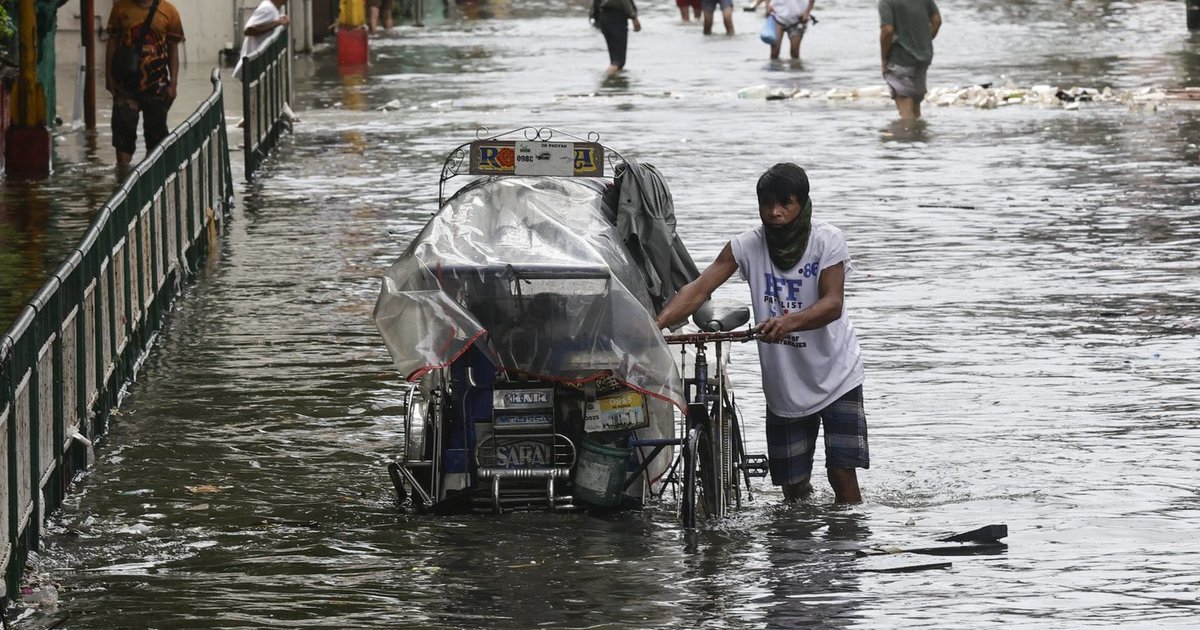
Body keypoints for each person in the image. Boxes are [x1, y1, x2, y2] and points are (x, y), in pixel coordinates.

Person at [655, 163, 868, 504]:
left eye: (785, 203)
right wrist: (656, 326)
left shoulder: (827, 242)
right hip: (785, 384)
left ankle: (850, 548)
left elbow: (832, 304)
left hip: (837, 374)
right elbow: (697, 290)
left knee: (841, 473)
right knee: (793, 488)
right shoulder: (746, 245)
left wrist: (787, 322)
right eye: (767, 204)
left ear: (803, 203)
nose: (775, 212)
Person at [104, 0, 185, 170]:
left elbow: (173, 50)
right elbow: (112, 43)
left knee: (156, 138)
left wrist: (174, 85)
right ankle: (123, 179)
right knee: (123, 137)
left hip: (157, 87)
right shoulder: (120, 8)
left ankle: (154, 179)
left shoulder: (169, 12)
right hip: (125, 85)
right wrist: (109, 77)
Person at [233, 0, 297, 127]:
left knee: (261, 103)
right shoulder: (267, 8)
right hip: (254, 64)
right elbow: (249, 29)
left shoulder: (273, 9)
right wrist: (278, 22)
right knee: (260, 102)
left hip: (260, 65)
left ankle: (255, 122)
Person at [879, 0, 941, 120]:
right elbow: (937, 21)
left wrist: (884, 59)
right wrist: (923, 42)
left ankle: (908, 134)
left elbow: (887, 30)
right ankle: (919, 136)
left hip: (900, 58)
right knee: (915, 107)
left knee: (905, 110)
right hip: (923, 58)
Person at [591, 0, 641, 75]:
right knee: (618, 62)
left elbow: (595, 3)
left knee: (615, 60)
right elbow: (624, 2)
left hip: (604, 17)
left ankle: (612, 82)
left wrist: (595, 17)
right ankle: (608, 81)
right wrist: (634, 17)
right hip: (616, 19)